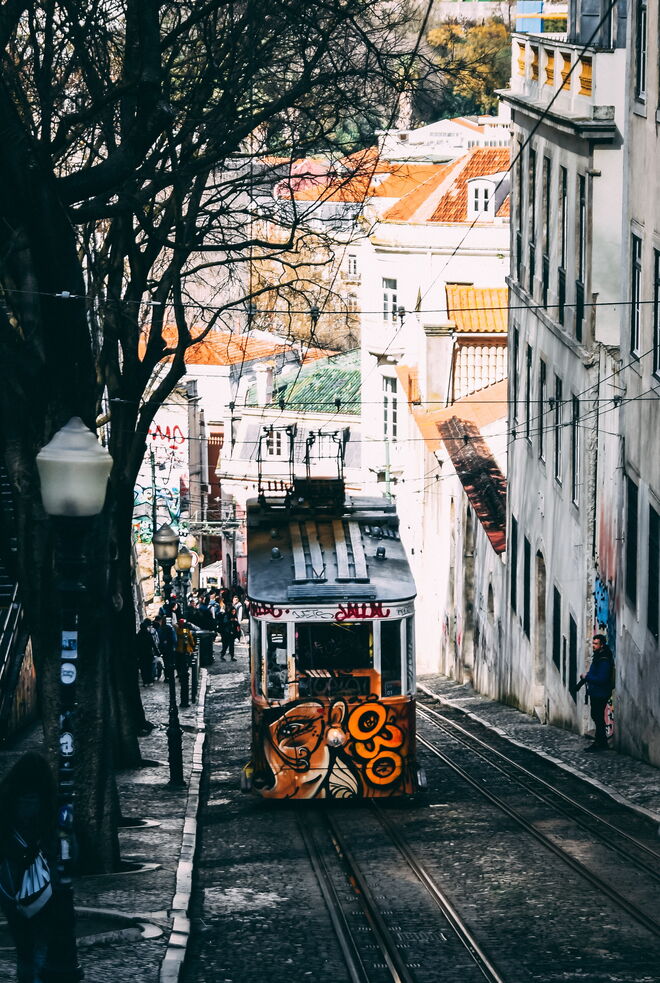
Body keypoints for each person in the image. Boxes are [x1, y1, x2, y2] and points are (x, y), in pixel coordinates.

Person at [0, 752, 57, 982]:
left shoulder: (6, 799)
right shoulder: (47, 803)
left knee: (23, 944)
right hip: (40, 880)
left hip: (9, 880)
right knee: (41, 939)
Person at [577, 634, 614, 752]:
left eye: (596, 643)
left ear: (602, 645)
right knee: (597, 716)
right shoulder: (598, 656)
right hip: (596, 692)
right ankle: (601, 742)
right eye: (593, 643)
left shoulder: (604, 660)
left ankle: (599, 743)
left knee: (597, 717)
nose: (593, 646)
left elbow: (602, 679)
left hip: (600, 693)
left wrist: (587, 677)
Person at [175, 618, 196, 707]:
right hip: (185, 650)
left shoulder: (176, 631)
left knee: (179, 664)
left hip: (178, 650)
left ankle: (180, 673)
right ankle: (183, 673)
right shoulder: (186, 631)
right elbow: (190, 640)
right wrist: (193, 645)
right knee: (185, 665)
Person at [136, 619, 159, 686]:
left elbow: (136, 645)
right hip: (149, 653)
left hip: (141, 655)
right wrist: (157, 652)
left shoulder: (138, 635)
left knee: (143, 669)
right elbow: (153, 644)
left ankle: (145, 681)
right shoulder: (148, 634)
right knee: (149, 668)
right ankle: (150, 681)